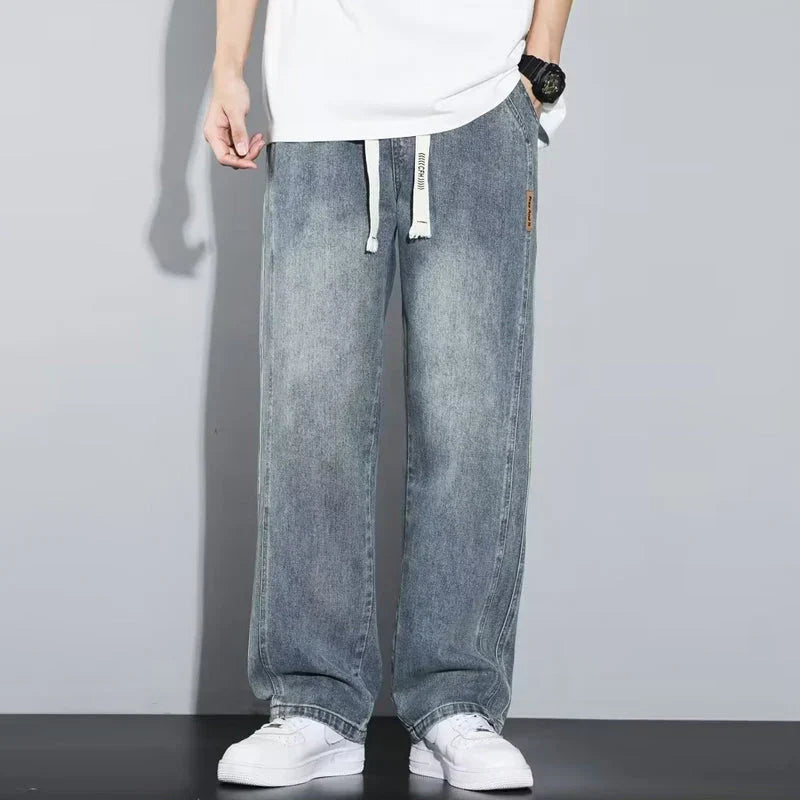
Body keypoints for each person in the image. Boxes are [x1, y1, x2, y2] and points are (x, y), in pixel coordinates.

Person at [204, 0, 572, 790]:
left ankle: (457, 703)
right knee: (311, 418)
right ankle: (314, 705)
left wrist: (541, 63)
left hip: (479, 103)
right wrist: (227, 67)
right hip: (321, 104)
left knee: (472, 420)